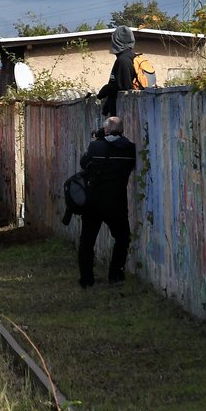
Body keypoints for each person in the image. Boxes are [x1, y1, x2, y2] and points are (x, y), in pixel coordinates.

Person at [77, 116, 136, 288]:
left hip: (93, 202)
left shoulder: (95, 146)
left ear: (107, 130)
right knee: (122, 238)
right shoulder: (130, 149)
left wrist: (98, 139)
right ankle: (116, 275)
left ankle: (87, 280)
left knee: (87, 242)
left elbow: (83, 163)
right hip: (116, 202)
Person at [96, 25, 137, 117]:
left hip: (122, 117)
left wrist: (105, 89)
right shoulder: (132, 57)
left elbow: (123, 88)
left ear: (116, 41)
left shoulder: (123, 60)